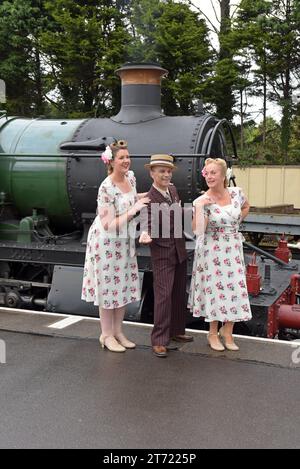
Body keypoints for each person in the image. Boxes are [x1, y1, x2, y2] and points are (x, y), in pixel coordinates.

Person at [81, 140, 149, 352]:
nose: (127, 161)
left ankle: (118, 331)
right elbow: (108, 224)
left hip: (124, 240)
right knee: (109, 288)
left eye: (128, 157)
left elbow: (130, 199)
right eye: (122, 158)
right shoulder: (106, 187)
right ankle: (106, 335)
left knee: (123, 286)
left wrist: (150, 194)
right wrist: (135, 209)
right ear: (111, 161)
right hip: (106, 243)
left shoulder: (130, 177)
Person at [188, 157, 252, 351]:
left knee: (234, 288)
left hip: (232, 248)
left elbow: (246, 206)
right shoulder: (203, 200)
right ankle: (212, 333)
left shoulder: (236, 193)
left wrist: (235, 221)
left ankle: (228, 331)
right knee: (215, 291)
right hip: (212, 251)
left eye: (213, 172)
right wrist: (199, 207)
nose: (209, 176)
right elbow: (198, 230)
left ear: (224, 175)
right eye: (207, 173)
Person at [139, 154, 193, 358]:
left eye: (169, 171)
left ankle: (177, 331)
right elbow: (147, 222)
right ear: (152, 173)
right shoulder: (149, 198)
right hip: (162, 251)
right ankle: (159, 340)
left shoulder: (173, 190)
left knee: (179, 292)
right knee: (163, 296)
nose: (166, 174)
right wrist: (145, 234)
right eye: (161, 171)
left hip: (179, 249)